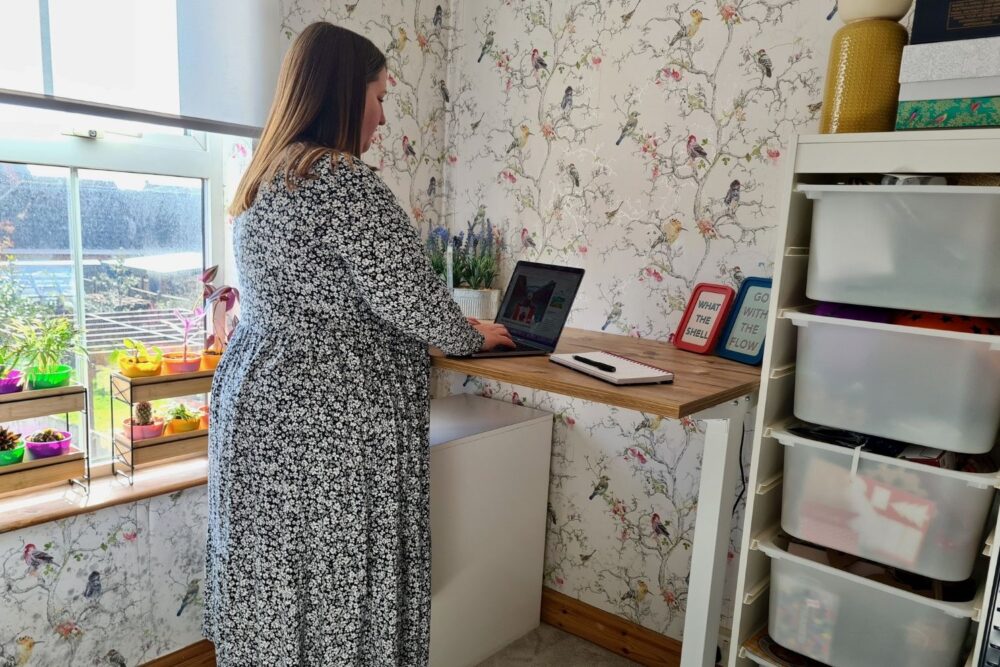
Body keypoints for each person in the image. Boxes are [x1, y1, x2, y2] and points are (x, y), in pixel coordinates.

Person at [203, 22, 514, 666]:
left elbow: (335, 296)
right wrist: (469, 333)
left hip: (259, 401)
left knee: (280, 574)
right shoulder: (342, 181)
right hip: (328, 417)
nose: (381, 117)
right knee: (340, 578)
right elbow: (415, 301)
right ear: (345, 94)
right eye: (379, 97)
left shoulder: (262, 181)